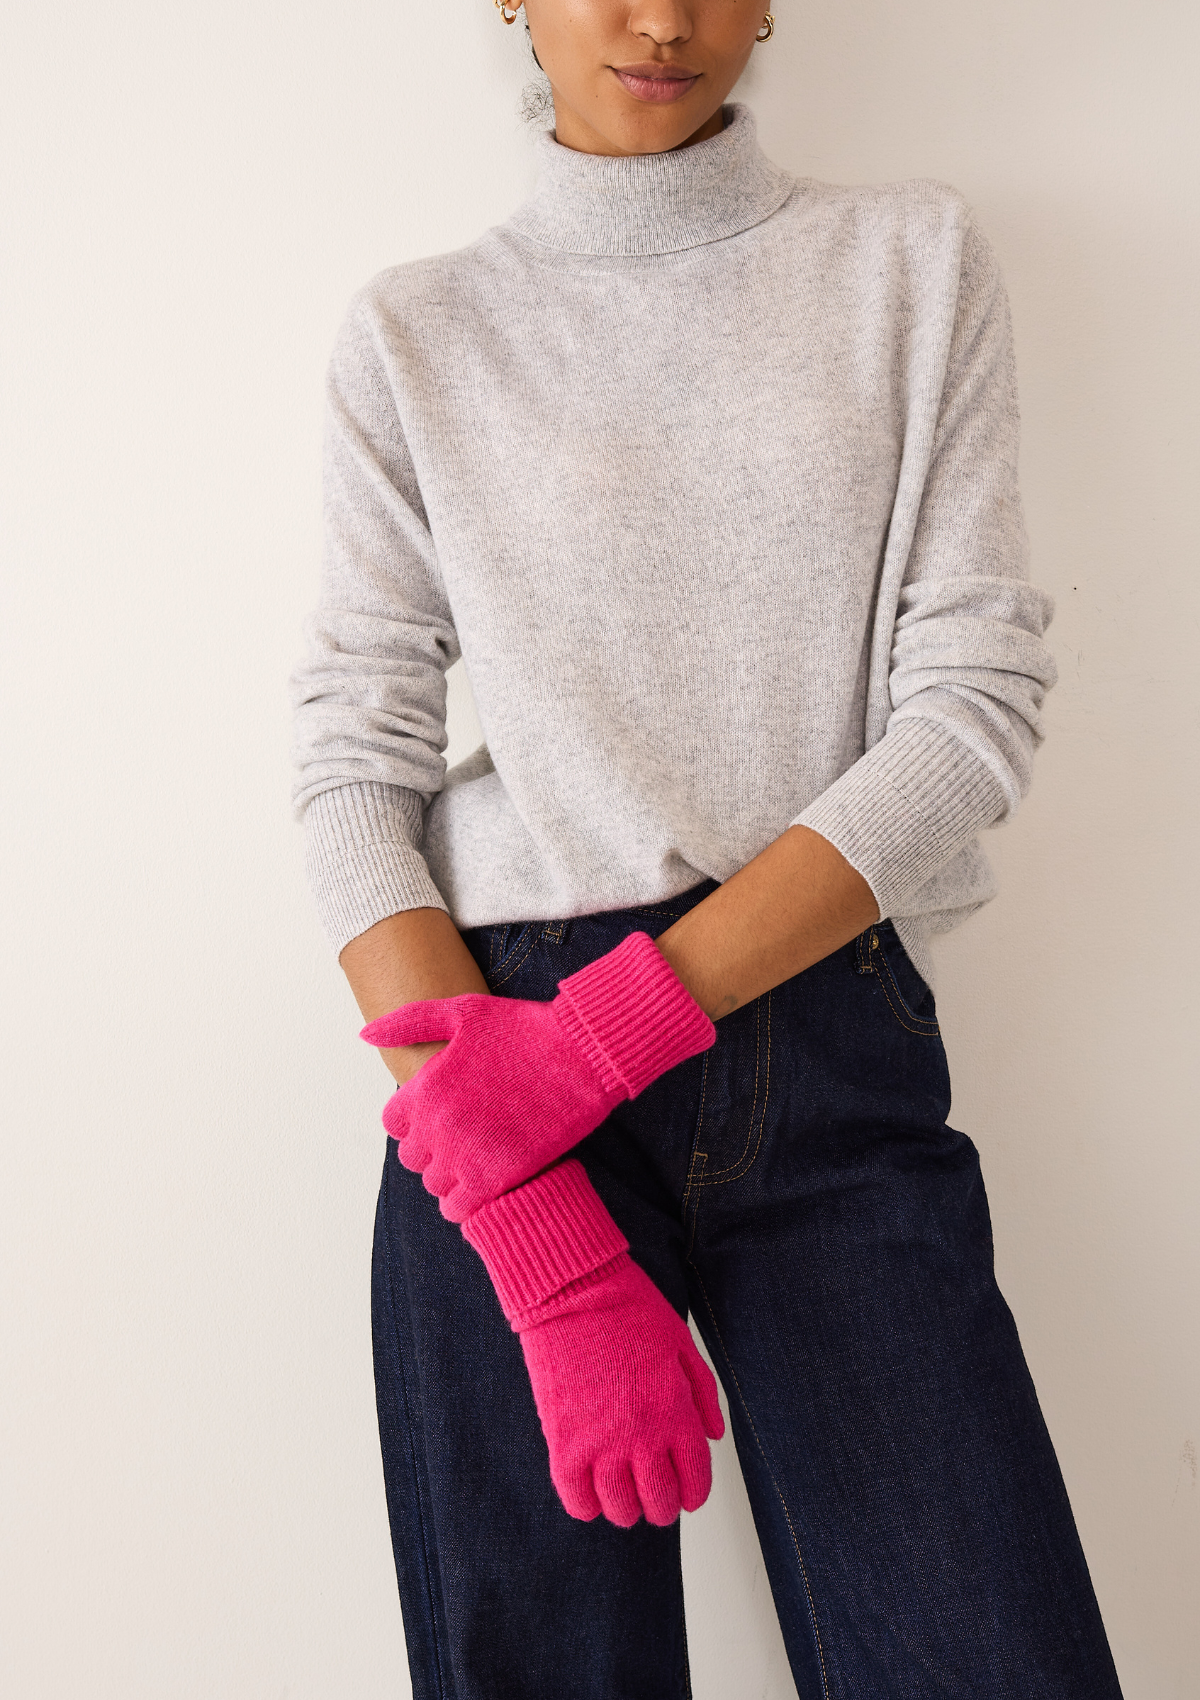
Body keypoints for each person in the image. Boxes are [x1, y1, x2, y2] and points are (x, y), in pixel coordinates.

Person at [290, 2, 1124, 1695]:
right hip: (492, 1060)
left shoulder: (907, 263)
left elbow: (968, 712)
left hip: (815, 1035)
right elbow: (348, 769)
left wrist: (614, 1034)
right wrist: (528, 1212)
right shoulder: (416, 334)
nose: (660, 20)